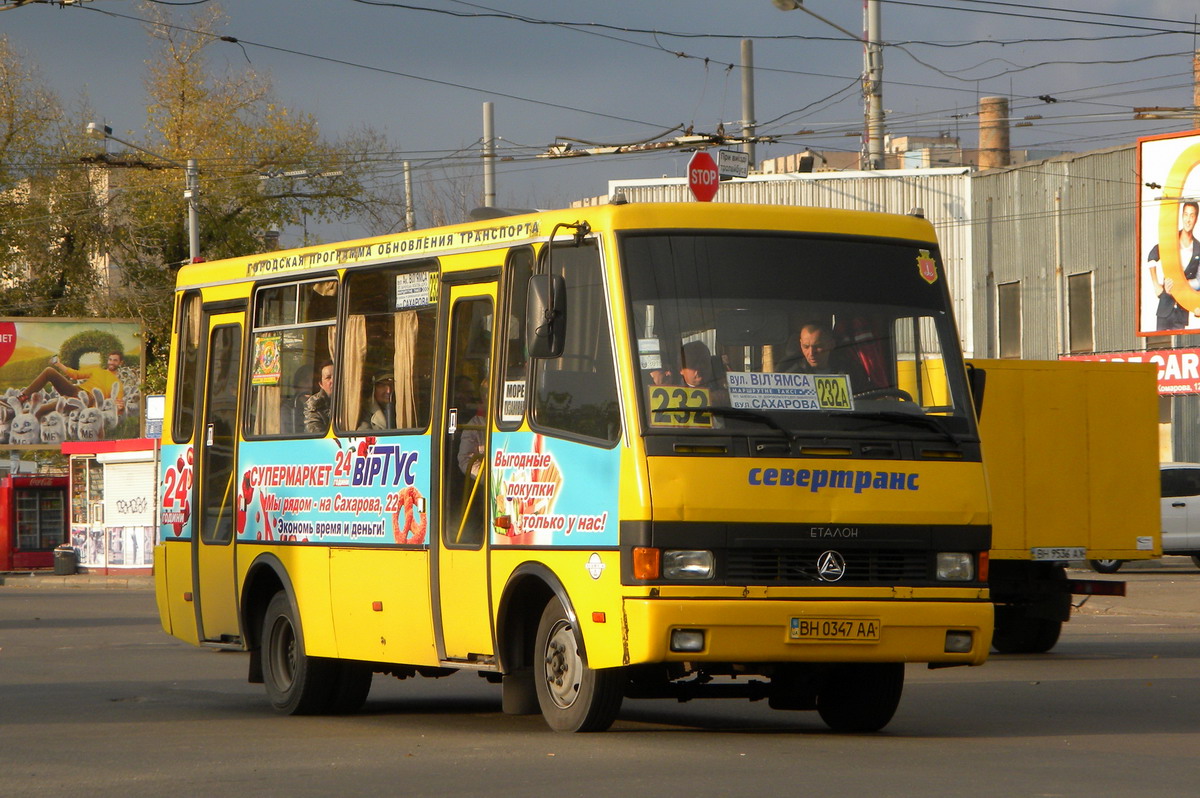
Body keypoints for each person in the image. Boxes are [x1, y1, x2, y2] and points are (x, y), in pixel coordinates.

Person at [1147, 201, 1200, 332]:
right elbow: (1152, 257)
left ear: (1196, 219)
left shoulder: (1198, 248)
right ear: (1181, 216)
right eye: (1186, 215)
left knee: (1179, 348)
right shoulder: (1171, 240)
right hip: (1165, 307)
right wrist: (1156, 285)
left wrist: (1197, 304)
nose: (1188, 220)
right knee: (1161, 346)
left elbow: (1199, 281)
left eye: (1192, 216)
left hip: (1182, 313)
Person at [20, 350, 125, 411]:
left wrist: (120, 408)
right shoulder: (97, 370)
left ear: (120, 363)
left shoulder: (118, 384)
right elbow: (76, 375)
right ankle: (22, 398)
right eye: (110, 359)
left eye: (115, 360)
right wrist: (59, 364)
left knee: (64, 400)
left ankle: (24, 413)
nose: (111, 362)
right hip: (77, 390)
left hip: (88, 400)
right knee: (49, 371)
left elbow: (118, 404)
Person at [303, 361, 334, 432]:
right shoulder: (313, 404)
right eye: (328, 377)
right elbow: (314, 431)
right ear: (321, 384)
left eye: (337, 376)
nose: (333, 380)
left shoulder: (352, 400)